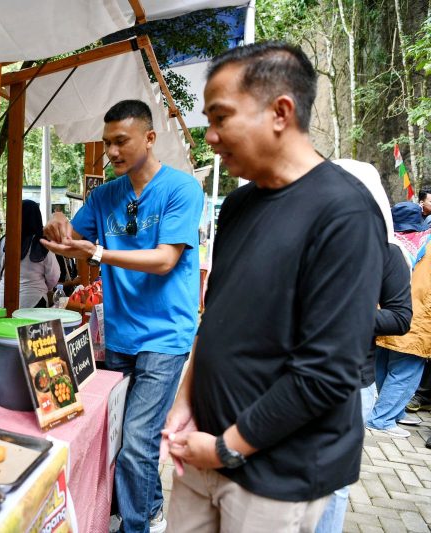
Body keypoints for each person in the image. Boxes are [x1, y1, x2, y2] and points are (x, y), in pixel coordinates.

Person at [161, 42, 385, 532]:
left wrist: (227, 449)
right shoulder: (240, 205)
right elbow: (214, 318)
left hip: (274, 472)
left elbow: (327, 372)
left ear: (281, 111)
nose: (212, 137)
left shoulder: (344, 214)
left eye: (220, 118)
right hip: (203, 447)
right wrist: (185, 403)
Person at [42, 99, 203, 533]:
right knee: (121, 436)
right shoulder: (104, 195)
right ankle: (149, 512)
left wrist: (96, 251)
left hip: (166, 335)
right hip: (119, 334)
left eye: (121, 141)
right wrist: (58, 222)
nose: (112, 151)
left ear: (149, 139)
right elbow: (69, 238)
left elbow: (166, 259)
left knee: (135, 442)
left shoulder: (181, 190)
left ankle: (136, 526)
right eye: (107, 142)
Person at [313, 160, 412, 533]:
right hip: (295, 375)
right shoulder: (312, 247)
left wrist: (345, 312)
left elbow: (401, 317)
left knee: (334, 483)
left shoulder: (388, 255)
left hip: (352, 383)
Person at [367, 202, 431, 438]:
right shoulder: (426, 241)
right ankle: (382, 418)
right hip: (417, 315)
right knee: (407, 370)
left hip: (386, 310)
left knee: (385, 362)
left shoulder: (391, 241)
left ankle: (390, 411)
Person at [0, 199, 60, 308]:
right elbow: (53, 275)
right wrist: (44, 288)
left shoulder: (3, 241)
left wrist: (4, 286)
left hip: (2, 301)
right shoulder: (43, 243)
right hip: (33, 301)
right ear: (38, 217)